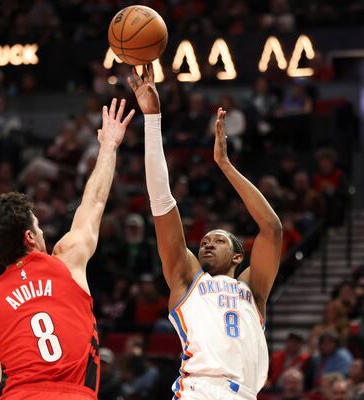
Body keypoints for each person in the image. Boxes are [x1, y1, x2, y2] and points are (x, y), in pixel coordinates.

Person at [128, 64, 282, 399]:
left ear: (239, 255)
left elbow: (270, 228)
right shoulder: (187, 280)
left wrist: (225, 166)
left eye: (219, 240)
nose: (207, 244)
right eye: (204, 241)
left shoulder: (253, 290)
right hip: (199, 390)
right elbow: (162, 201)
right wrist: (152, 121)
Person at [0, 98, 135, 400]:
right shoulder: (67, 261)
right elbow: (95, 202)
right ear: (30, 238)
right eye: (38, 225)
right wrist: (109, 146)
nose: (43, 230)